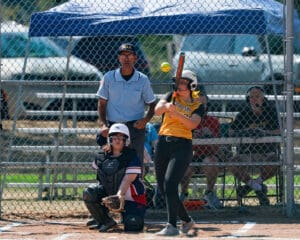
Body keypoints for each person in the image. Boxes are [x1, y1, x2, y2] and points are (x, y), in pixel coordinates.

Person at [154, 70, 204, 236]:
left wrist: (177, 113)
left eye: (184, 82)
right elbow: (157, 110)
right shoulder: (171, 95)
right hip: (163, 143)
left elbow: (192, 124)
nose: (180, 85)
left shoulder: (198, 102)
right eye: (178, 82)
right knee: (163, 187)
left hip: (183, 146)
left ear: (192, 85)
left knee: (170, 183)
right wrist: (167, 106)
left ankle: (171, 225)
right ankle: (187, 220)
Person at [96, 43, 156, 167]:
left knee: (136, 162)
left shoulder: (142, 79)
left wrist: (145, 120)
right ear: (118, 58)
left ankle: (136, 186)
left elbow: (152, 104)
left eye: (130, 55)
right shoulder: (109, 77)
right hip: (114, 125)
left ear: (135, 58)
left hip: (135, 127)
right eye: (123, 55)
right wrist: (103, 124)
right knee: (114, 162)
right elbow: (102, 104)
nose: (126, 58)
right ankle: (113, 186)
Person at [83, 123, 146, 232]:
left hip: (130, 198)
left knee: (133, 225)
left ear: (126, 140)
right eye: (114, 137)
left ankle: (126, 216)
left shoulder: (131, 156)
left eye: (121, 138)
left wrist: (120, 195)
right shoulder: (101, 156)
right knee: (89, 192)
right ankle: (104, 220)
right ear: (109, 139)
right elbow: (100, 179)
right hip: (109, 193)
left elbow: (128, 179)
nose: (118, 140)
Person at [228, 86, 281, 206]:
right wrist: (245, 132)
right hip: (246, 153)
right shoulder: (244, 113)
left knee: (275, 161)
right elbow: (231, 131)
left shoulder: (271, 112)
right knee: (232, 163)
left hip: (266, 153)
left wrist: (264, 132)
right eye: (251, 97)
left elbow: (279, 131)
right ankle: (258, 187)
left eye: (257, 97)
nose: (254, 99)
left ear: (263, 99)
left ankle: (251, 186)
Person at [179, 94, 222, 209]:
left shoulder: (213, 122)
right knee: (184, 165)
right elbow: (179, 146)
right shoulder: (186, 120)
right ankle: (183, 193)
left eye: (203, 105)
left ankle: (209, 193)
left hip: (209, 153)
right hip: (191, 154)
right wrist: (191, 135)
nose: (200, 107)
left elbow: (217, 149)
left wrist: (209, 135)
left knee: (210, 162)